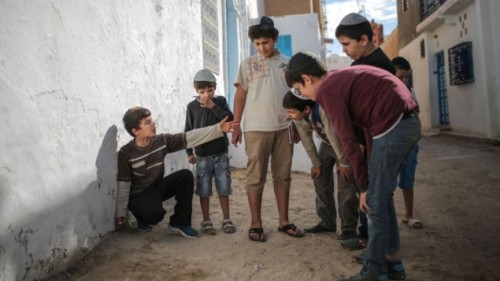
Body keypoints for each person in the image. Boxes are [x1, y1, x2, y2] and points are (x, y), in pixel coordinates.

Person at [285, 52, 420, 281]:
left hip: (394, 125)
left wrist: (364, 186)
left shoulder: (327, 90)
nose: (303, 95)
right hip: (404, 123)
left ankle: (374, 271)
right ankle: (393, 264)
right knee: (382, 198)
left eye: (299, 89)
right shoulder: (338, 79)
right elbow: (366, 126)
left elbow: (347, 140)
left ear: (307, 79)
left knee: (374, 203)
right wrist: (366, 175)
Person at [231, 16, 304, 242]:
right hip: (255, 129)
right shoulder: (248, 64)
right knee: (255, 177)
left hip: (284, 128)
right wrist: (236, 124)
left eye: (266, 42)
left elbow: (297, 94)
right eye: (258, 44)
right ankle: (256, 223)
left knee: (283, 176)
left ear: (275, 39)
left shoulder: (288, 63)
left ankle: (284, 221)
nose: (262, 47)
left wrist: (299, 124)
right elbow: (241, 95)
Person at [115, 106, 232, 238]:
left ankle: (180, 223)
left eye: (151, 120)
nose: (153, 124)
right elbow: (124, 185)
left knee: (185, 176)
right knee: (154, 215)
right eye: (147, 123)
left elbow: (189, 137)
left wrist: (218, 129)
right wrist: (121, 215)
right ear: (135, 131)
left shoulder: (161, 141)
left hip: (157, 187)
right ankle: (143, 220)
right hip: (139, 195)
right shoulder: (126, 153)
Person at [335, 12, 396, 251]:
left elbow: (376, 112)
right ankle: (370, 239)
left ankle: (379, 248)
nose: (344, 50)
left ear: (363, 39)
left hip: (379, 142)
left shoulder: (381, 66)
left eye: (346, 44)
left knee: (375, 195)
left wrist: (360, 140)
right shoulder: (357, 65)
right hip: (366, 143)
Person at [282, 90, 358, 240]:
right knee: (320, 178)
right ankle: (327, 222)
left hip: (344, 146)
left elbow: (335, 137)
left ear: (307, 109)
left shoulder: (323, 109)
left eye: (291, 112)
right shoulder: (300, 117)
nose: (288, 115)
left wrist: (343, 163)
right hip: (326, 144)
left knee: (346, 185)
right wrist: (316, 163)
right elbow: (306, 140)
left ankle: (348, 229)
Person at [184, 69, 236, 235]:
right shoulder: (192, 107)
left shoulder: (220, 101)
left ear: (215, 88)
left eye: (210, 90)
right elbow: (188, 131)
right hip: (202, 155)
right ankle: (206, 220)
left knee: (224, 187)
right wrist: (189, 153)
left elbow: (229, 119)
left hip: (220, 153)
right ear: (196, 91)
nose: (206, 94)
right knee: (203, 189)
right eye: (202, 91)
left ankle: (226, 218)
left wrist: (213, 106)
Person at [392, 56, 423, 230]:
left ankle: (409, 215)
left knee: (408, 178)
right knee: (388, 182)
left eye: (406, 77)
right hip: (392, 144)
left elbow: (415, 113)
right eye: (400, 76)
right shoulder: (385, 92)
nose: (404, 80)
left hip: (409, 144)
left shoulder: (410, 91)